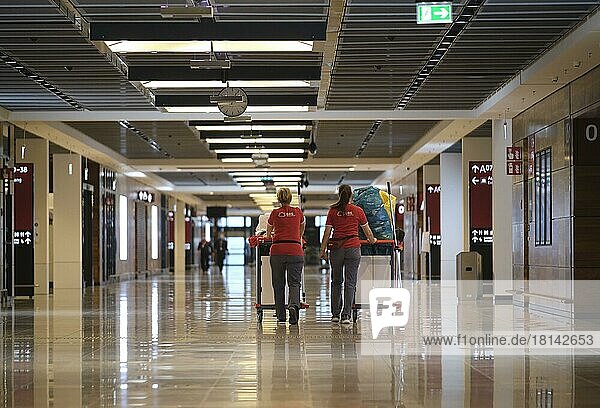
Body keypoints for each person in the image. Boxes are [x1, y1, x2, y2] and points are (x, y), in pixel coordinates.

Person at [319, 184, 377, 325]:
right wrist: (372, 240)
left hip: (336, 249)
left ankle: (335, 314)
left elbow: (327, 233)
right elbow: (367, 231)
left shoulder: (333, 211)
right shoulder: (357, 210)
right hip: (353, 248)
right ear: (351, 195)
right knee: (350, 283)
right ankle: (346, 316)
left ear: (339, 194)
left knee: (336, 281)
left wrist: (322, 249)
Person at [266, 188, 305, 325]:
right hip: (295, 249)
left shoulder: (275, 213)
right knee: (294, 283)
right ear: (290, 198)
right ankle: (293, 306)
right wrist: (296, 237)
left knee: (278, 283)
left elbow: (268, 232)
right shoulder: (298, 212)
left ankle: (281, 315)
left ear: (278, 199)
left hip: (277, 250)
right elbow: (302, 228)